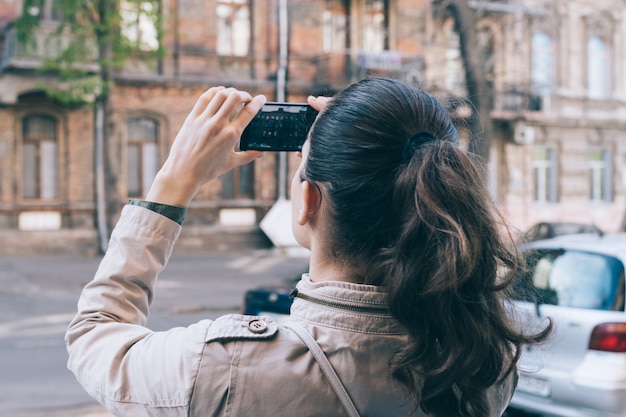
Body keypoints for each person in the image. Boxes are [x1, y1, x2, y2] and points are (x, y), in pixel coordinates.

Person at [66, 78, 550, 417]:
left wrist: (171, 185)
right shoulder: (483, 359)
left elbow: (94, 336)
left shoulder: (227, 367)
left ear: (309, 200)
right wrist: (349, 145)